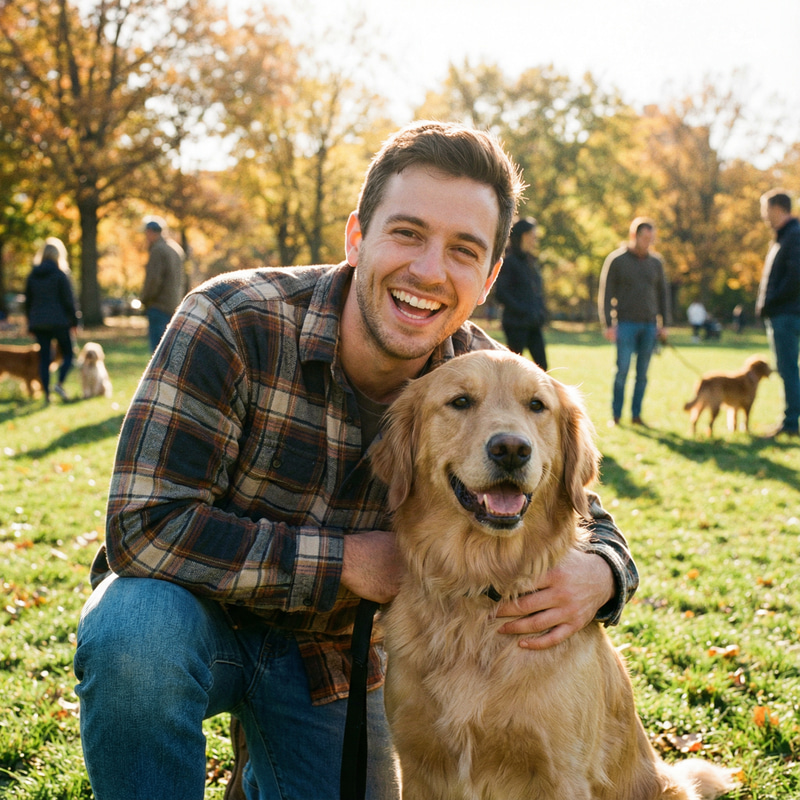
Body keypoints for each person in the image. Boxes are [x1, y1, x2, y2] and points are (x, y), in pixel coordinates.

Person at [74, 121, 639, 800]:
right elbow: (141, 526)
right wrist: (345, 562)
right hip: (194, 623)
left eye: (463, 250)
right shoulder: (230, 320)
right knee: (131, 630)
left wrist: (604, 573)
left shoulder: (490, 380)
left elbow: (574, 504)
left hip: (332, 667)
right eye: (407, 233)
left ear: (489, 277)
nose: (429, 270)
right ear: (356, 237)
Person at [598, 217, 670, 426]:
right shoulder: (617, 260)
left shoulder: (656, 263)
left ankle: (636, 415)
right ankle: (616, 415)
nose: (648, 242)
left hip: (649, 325)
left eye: (651, 239)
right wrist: (608, 324)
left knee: (643, 374)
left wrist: (664, 324)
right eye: (645, 238)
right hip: (625, 324)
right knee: (622, 371)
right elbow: (605, 293)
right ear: (634, 236)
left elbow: (663, 295)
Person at [756, 189, 800, 438]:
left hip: (787, 314)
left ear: (777, 208)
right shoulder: (785, 236)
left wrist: (771, 303)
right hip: (785, 312)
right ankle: (791, 419)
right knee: (788, 368)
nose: (764, 215)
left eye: (766, 209)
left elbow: (795, 277)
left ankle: (791, 422)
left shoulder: (793, 235)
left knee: (788, 369)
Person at [23, 237, 78, 403]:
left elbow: (28, 302)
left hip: (39, 322)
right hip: (59, 321)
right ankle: (59, 383)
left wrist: (30, 324)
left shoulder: (33, 275)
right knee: (69, 354)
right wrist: (75, 322)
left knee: (44, 359)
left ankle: (46, 394)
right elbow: (68, 300)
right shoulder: (60, 274)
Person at [493, 216, 549, 369]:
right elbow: (501, 293)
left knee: (542, 368)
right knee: (513, 369)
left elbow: (536, 292)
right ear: (524, 236)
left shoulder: (531, 261)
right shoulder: (509, 262)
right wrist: (523, 310)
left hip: (533, 324)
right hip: (515, 324)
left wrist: (540, 311)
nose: (535, 240)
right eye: (533, 236)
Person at [140, 215, 185, 352]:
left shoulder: (158, 250)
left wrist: (144, 300)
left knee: (158, 351)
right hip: (174, 304)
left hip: (158, 305)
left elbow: (153, 280)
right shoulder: (176, 249)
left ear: (150, 232)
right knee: (170, 349)